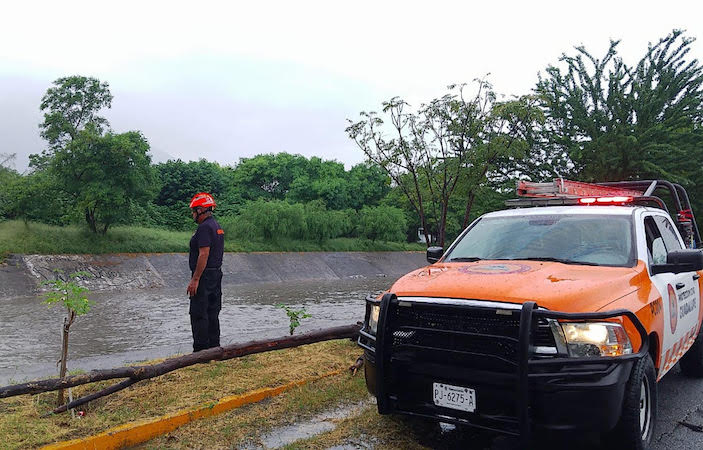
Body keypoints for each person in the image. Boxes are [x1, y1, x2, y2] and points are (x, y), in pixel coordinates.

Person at [186, 192, 225, 352]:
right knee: (212, 312)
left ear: (201, 210)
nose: (193, 214)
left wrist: (195, 279)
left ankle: (201, 352)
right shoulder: (216, 226)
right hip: (216, 275)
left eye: (194, 211)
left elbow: (204, 254)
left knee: (199, 313)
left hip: (204, 277)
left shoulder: (204, 228)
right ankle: (214, 348)